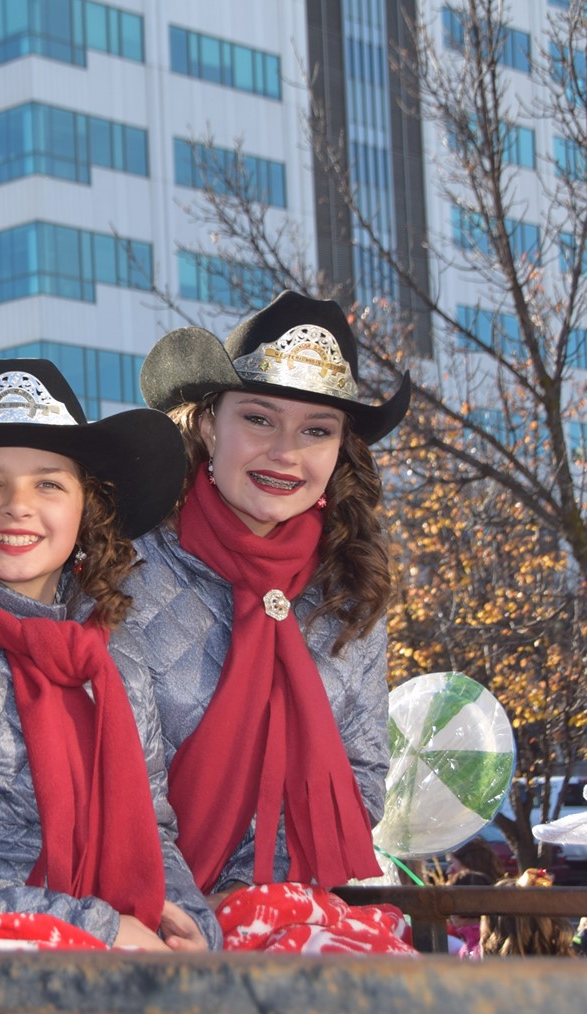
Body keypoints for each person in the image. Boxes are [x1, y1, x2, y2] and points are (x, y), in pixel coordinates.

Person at [0, 357, 220, 951]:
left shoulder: (116, 657)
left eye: (48, 482)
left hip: (122, 950)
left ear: (88, 508)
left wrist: (188, 922)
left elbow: (152, 830)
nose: (17, 505)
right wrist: (96, 930)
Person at [126, 289, 411, 901]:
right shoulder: (122, 567)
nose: (286, 452)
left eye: (316, 430)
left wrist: (258, 894)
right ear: (207, 423)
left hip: (288, 908)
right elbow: (116, 778)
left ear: (339, 452)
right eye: (258, 419)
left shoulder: (352, 590)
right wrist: (202, 909)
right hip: (145, 909)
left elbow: (363, 774)